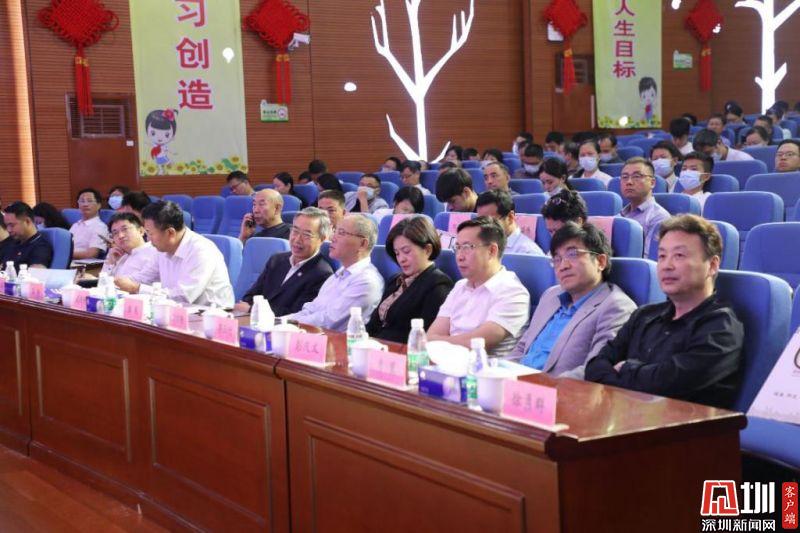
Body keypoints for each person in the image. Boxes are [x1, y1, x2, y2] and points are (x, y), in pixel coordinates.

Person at [585, 215, 744, 409]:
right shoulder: (643, 316)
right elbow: (595, 367)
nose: (667, 265)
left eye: (679, 255)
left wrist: (626, 367)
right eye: (662, 256)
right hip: (619, 417)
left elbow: (668, 385)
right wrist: (641, 377)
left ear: (712, 265)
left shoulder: (721, 328)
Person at [510, 222, 635, 377]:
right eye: (557, 259)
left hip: (557, 388)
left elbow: (596, 370)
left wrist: (542, 386)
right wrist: (499, 373)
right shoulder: (550, 295)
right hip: (516, 384)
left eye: (573, 254)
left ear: (601, 262)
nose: (563, 266)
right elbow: (522, 348)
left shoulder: (617, 307)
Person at [427, 217, 529, 357]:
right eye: (457, 247)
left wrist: (438, 342)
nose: (459, 256)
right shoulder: (460, 286)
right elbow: (430, 336)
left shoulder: (513, 292)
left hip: (488, 367)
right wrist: (436, 342)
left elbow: (475, 345)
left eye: (467, 247)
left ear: (492, 251)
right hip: (448, 362)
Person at [115, 201, 234, 308]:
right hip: (178, 311)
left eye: (150, 233)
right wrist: (115, 282)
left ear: (170, 232)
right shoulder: (161, 248)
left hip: (212, 314)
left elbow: (183, 296)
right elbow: (144, 277)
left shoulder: (201, 250)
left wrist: (136, 288)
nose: (148, 239)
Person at [285, 214, 384, 331]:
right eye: (335, 231)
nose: (332, 238)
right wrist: (279, 321)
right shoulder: (339, 274)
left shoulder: (367, 281)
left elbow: (330, 321)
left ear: (362, 244)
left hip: (337, 340)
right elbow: (311, 310)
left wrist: (285, 323)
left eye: (341, 233)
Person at [366, 216, 453, 342]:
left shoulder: (439, 285)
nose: (401, 259)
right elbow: (373, 325)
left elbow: (423, 337)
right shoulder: (396, 280)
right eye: (397, 253)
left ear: (427, 250)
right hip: (376, 347)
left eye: (406, 251)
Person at [236, 207, 334, 315]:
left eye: (306, 235)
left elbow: (298, 313)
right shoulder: (277, 260)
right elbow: (250, 296)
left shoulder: (322, 274)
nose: (297, 239)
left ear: (322, 239)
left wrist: (252, 309)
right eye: (295, 231)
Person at [619, 157, 670, 254]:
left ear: (652, 183)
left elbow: (649, 258)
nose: (629, 182)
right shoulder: (619, 216)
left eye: (636, 176)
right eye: (625, 177)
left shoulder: (659, 218)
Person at [475, 190, 543, 255]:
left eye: (489, 221)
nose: (484, 227)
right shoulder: (478, 245)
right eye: (480, 221)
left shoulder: (528, 252)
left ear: (510, 217)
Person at [99, 212, 159, 284]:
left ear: (141, 231)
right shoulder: (116, 253)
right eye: (115, 233)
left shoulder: (154, 252)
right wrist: (111, 263)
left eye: (125, 229)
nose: (120, 236)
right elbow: (101, 282)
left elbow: (139, 282)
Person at [1, 202, 53, 268]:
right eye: (6, 225)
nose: (8, 230)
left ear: (27, 221)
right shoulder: (10, 243)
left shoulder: (41, 248)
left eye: (12, 225)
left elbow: (36, 272)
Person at [70, 188, 109, 259]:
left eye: (90, 201)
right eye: (82, 201)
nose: (85, 204)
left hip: (83, 264)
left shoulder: (100, 227)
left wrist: (65, 254)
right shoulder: (75, 225)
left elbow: (91, 254)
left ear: (99, 205)